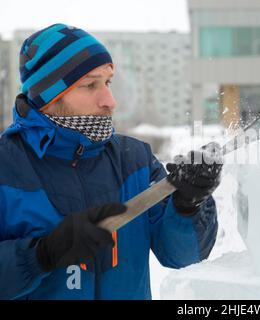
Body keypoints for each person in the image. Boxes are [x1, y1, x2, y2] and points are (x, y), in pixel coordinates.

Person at [0, 23, 221, 300]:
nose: (109, 100)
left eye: (107, 82)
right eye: (90, 84)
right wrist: (41, 255)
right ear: (48, 96)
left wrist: (188, 205)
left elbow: (184, 256)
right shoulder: (6, 167)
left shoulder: (135, 160)